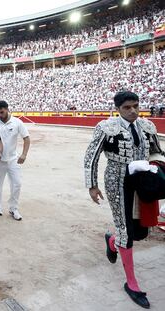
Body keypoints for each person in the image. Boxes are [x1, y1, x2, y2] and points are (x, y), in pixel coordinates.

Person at [84, 91, 164, 309]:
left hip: (143, 179)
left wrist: (155, 166)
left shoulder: (147, 126)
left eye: (136, 106)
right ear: (117, 108)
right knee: (126, 229)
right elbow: (91, 156)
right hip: (117, 179)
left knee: (140, 230)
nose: (133, 111)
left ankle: (112, 241)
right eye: (128, 107)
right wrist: (92, 185)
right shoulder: (106, 127)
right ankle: (132, 282)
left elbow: (157, 152)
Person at [0, 100, 30, 220]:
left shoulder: (17, 122)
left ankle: (13, 208)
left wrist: (24, 154)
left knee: (17, 184)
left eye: (2, 112)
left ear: (7, 109)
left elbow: (26, 138)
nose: (0, 115)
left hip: (13, 159)